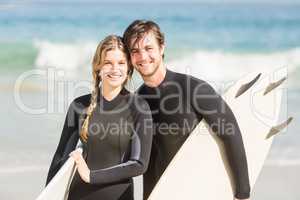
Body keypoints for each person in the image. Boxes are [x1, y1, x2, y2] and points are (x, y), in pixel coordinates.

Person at [123, 20, 251, 200]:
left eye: (148, 48)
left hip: (201, 190)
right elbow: (147, 164)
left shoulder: (193, 89)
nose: (143, 56)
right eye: (135, 51)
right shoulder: (136, 103)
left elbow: (231, 134)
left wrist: (242, 193)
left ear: (162, 48)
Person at [45, 35, 153, 200]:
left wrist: (91, 176)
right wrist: (47, 195)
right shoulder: (79, 106)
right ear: (98, 67)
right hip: (79, 195)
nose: (115, 69)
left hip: (119, 196)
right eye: (108, 63)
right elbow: (60, 158)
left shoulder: (139, 107)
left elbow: (139, 164)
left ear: (129, 68)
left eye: (121, 63)